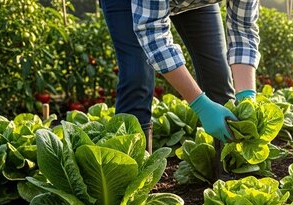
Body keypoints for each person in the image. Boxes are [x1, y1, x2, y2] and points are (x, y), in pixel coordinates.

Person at [101, 0, 260, 152]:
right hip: (127, 3)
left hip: (194, 3)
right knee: (137, 76)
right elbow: (151, 30)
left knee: (217, 74)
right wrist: (200, 105)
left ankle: (231, 168)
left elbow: (243, 30)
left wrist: (247, 97)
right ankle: (133, 174)